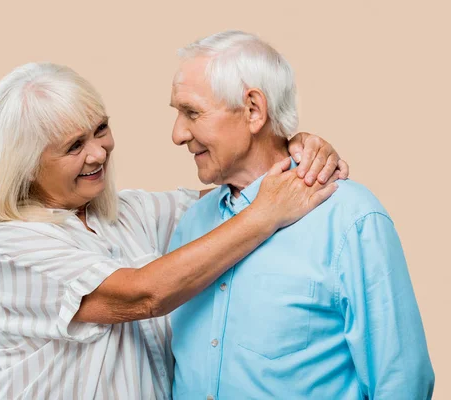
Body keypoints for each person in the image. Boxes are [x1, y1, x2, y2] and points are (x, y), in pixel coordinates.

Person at [0, 62, 346, 399]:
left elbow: (237, 194)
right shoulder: (6, 246)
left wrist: (289, 151)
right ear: (25, 165)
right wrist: (266, 214)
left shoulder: (128, 213)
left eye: (100, 129)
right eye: (74, 146)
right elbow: (146, 294)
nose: (99, 152)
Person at [168, 30, 435, 399]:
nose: (177, 134)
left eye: (191, 112)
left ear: (253, 110)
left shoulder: (350, 218)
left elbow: (402, 382)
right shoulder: (189, 225)